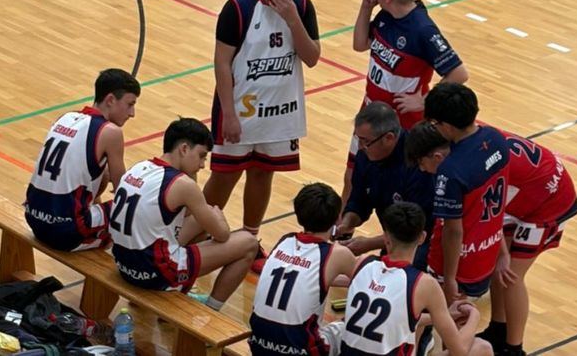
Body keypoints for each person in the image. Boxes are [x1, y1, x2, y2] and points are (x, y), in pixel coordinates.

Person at [407, 122, 577, 356]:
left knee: (511, 276)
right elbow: (491, 211)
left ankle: (514, 348)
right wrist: (501, 252)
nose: (422, 170)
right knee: (499, 268)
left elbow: (484, 216)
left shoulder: (465, 169)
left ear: (437, 156)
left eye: (421, 164)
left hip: (549, 197)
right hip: (524, 188)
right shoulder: (468, 144)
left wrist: (501, 254)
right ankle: (499, 330)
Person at [204, 0, 321, 274]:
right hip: (240, 109)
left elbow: (312, 57)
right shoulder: (238, 7)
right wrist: (229, 113)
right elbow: (222, 63)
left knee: (262, 173)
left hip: (280, 110)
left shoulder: (301, 6)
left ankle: (251, 239)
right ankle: (194, 234)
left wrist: (293, 19)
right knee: (224, 175)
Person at [342, 0, 469, 206]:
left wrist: (423, 101)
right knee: (353, 174)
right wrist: (365, 8)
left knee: (401, 187)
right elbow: (360, 44)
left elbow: (459, 73)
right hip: (370, 111)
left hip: (404, 123)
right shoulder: (385, 16)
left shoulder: (423, 30)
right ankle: (340, 226)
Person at [109, 118, 258, 310]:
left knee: (198, 220)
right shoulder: (182, 185)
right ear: (184, 149)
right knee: (248, 243)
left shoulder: (138, 168)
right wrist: (219, 217)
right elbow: (222, 234)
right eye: (202, 156)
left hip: (123, 265)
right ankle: (210, 309)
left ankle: (168, 294)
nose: (203, 165)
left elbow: (189, 215)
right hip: (154, 273)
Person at [339, 202, 492, 356]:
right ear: (422, 238)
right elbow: (460, 351)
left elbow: (396, 317)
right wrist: (474, 316)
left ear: (386, 238)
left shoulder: (362, 264)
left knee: (411, 326)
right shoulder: (424, 284)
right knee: (482, 347)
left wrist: (444, 315)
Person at [24, 68, 140, 251]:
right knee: (133, 212)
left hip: (33, 217)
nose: (132, 113)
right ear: (110, 100)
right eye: (130, 104)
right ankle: (120, 261)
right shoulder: (111, 132)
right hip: (65, 230)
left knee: (101, 173)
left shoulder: (66, 117)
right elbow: (123, 192)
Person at [422, 83, 510, 306]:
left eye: (435, 124)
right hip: (486, 255)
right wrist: (502, 252)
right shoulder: (497, 139)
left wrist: (449, 278)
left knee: (443, 319)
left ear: (447, 125)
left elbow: (453, 230)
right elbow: (498, 204)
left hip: (457, 264)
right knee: (463, 316)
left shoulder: (451, 170)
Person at [248, 183, 355, 355]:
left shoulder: (285, 241)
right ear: (337, 219)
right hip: (301, 350)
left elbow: (312, 276)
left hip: (258, 343)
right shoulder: (337, 254)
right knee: (354, 326)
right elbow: (369, 284)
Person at [335, 102, 433, 271]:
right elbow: (359, 200)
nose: (360, 147)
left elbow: (415, 228)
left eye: (365, 141)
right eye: (358, 139)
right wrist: (347, 222)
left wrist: (370, 243)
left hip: (423, 241)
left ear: (389, 138)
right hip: (393, 237)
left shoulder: (418, 163)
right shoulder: (365, 155)